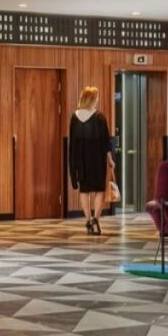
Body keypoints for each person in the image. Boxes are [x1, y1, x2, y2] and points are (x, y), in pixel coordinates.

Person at [68, 86, 114, 235]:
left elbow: (72, 142)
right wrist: (110, 160)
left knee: (84, 190)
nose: (98, 100)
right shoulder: (100, 117)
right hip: (97, 159)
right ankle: (95, 220)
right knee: (99, 190)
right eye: (97, 97)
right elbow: (106, 141)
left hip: (80, 160)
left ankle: (87, 220)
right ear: (92, 99)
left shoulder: (74, 117)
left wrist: (73, 163)